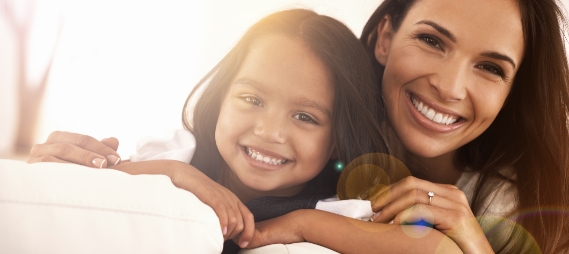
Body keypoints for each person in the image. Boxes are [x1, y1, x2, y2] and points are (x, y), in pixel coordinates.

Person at [29, 8, 424, 253]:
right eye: (252, 99)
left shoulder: (328, 209)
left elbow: (437, 249)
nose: (269, 131)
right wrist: (176, 174)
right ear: (221, 98)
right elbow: (86, 187)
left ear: (338, 137)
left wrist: (304, 224)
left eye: (305, 117)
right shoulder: (178, 156)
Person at [243, 0, 569, 253]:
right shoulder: (310, 130)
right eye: (431, 40)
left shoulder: (539, 207)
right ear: (385, 38)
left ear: (513, 92)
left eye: (489, 67)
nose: (450, 88)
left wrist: (475, 245)